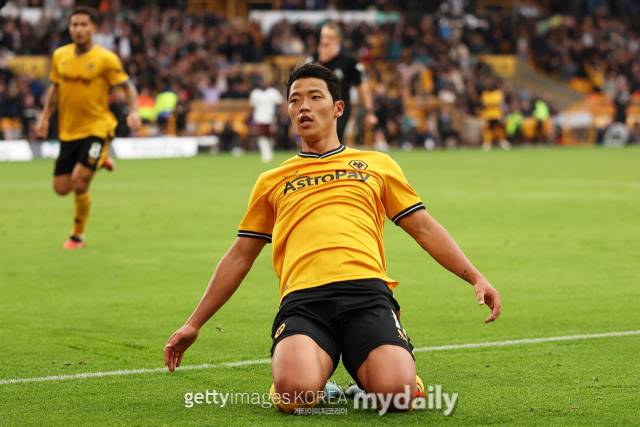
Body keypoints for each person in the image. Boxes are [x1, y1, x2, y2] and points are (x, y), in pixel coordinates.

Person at [163, 64, 501, 413]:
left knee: (398, 396)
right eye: (295, 100)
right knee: (294, 397)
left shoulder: (377, 165)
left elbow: (424, 228)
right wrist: (194, 324)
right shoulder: (272, 181)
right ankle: (315, 382)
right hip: (304, 301)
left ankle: (379, 377)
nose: (303, 107)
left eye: (314, 97)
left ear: (338, 108)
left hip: (367, 295)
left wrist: (475, 277)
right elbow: (240, 256)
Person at [35, 6, 141, 249]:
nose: (79, 29)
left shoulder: (106, 59)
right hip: (69, 130)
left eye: (84, 24)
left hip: (97, 127)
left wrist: (134, 111)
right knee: (61, 188)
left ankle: (77, 236)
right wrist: (44, 118)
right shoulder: (60, 56)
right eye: (74, 24)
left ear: (94, 28)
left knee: (80, 181)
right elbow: (55, 89)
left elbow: (127, 87)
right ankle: (101, 159)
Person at [308, 22, 377, 142]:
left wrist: (369, 112)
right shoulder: (313, 59)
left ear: (337, 40)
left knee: (331, 140)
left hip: (338, 109)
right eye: (323, 36)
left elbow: (362, 85)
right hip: (317, 108)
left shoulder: (348, 60)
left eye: (329, 37)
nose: (325, 41)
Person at [249, 77, 284, 163]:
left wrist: (277, 116)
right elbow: (252, 106)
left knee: (271, 136)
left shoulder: (273, 92)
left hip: (271, 118)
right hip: (259, 118)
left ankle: (269, 152)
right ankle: (265, 154)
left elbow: (280, 103)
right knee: (261, 136)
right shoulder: (255, 93)